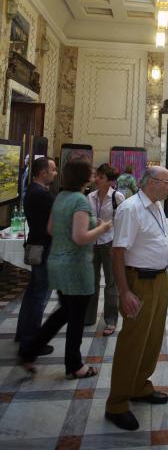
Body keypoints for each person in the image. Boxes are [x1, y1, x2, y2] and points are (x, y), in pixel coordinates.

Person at [19, 160, 112, 378]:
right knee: (75, 317)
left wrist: (85, 225)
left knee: (64, 313)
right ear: (82, 176)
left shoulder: (61, 196)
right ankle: (75, 365)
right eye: (90, 172)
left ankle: (29, 351)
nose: (93, 174)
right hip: (75, 267)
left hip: (57, 262)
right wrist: (101, 227)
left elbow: (51, 228)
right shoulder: (79, 200)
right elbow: (80, 238)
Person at [105, 167, 168, 432]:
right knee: (133, 341)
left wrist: (165, 274)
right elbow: (118, 253)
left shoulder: (155, 206)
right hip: (138, 283)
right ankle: (117, 403)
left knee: (152, 338)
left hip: (157, 279)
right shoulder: (131, 209)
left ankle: (139, 386)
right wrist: (124, 292)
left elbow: (156, 242)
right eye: (167, 183)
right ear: (152, 183)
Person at [15, 157, 58, 352]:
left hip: (36, 244)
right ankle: (31, 340)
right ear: (43, 173)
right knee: (40, 294)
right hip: (43, 247)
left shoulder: (33, 190)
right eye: (53, 170)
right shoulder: (41, 194)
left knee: (33, 292)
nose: (55, 173)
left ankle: (23, 333)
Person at [85, 163, 125, 335]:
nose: (96, 179)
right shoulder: (90, 196)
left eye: (101, 177)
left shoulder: (117, 197)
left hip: (110, 243)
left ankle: (110, 320)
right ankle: (89, 317)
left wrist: (116, 244)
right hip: (92, 242)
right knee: (91, 282)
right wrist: (95, 222)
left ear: (110, 181)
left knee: (111, 283)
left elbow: (123, 222)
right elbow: (86, 217)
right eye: (97, 176)